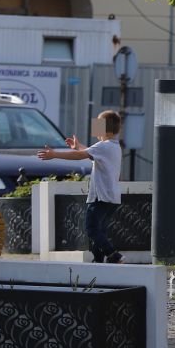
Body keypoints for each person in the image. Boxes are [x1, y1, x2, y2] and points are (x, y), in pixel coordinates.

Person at [38, 110, 123, 263]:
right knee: (100, 230)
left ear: (103, 128)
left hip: (100, 197)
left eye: (98, 123)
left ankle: (113, 254)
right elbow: (88, 153)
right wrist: (78, 147)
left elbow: (80, 156)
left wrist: (54, 154)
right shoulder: (113, 146)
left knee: (91, 229)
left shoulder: (103, 146)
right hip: (112, 198)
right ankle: (98, 259)